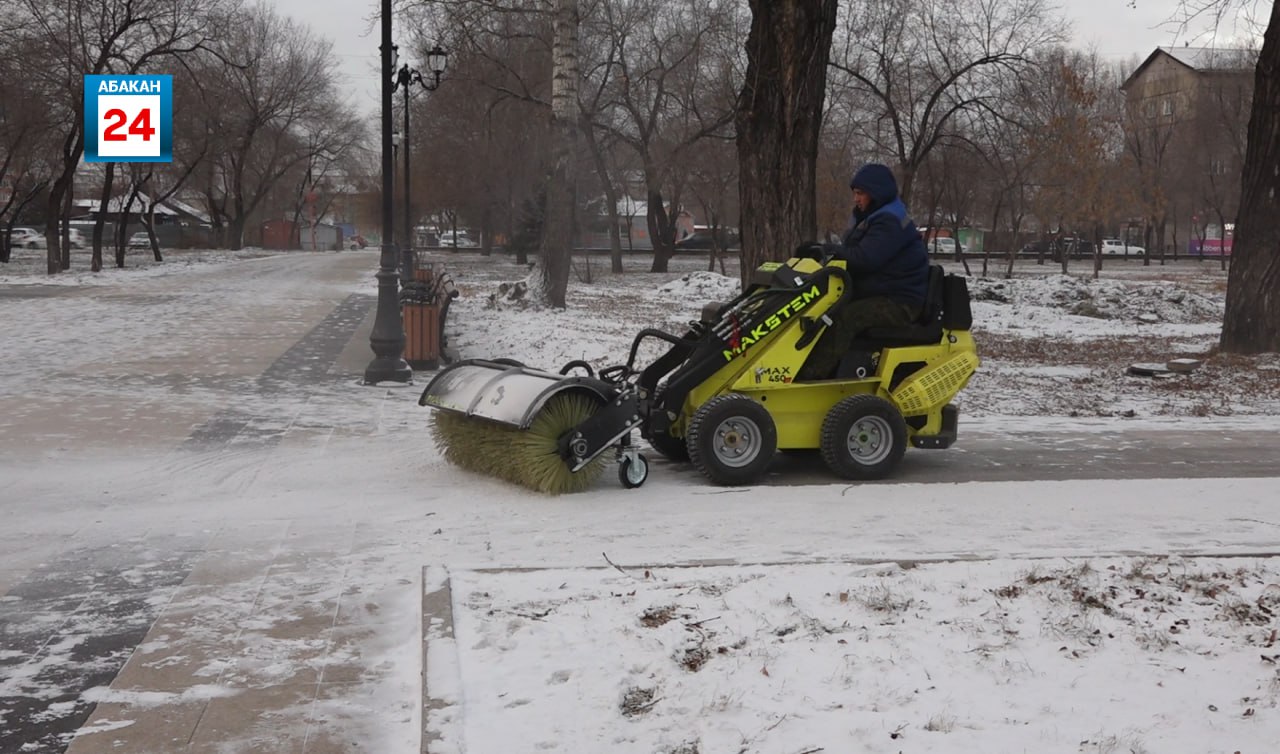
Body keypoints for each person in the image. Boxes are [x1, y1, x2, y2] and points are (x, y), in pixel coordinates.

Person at [793, 162, 930, 381]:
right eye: (855, 193)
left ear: (876, 193)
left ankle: (811, 377)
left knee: (846, 318)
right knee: (819, 309)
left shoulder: (890, 221)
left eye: (861, 193)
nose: (856, 199)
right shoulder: (872, 217)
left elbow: (865, 259)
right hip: (881, 291)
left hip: (900, 301)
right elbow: (853, 252)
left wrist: (826, 251)